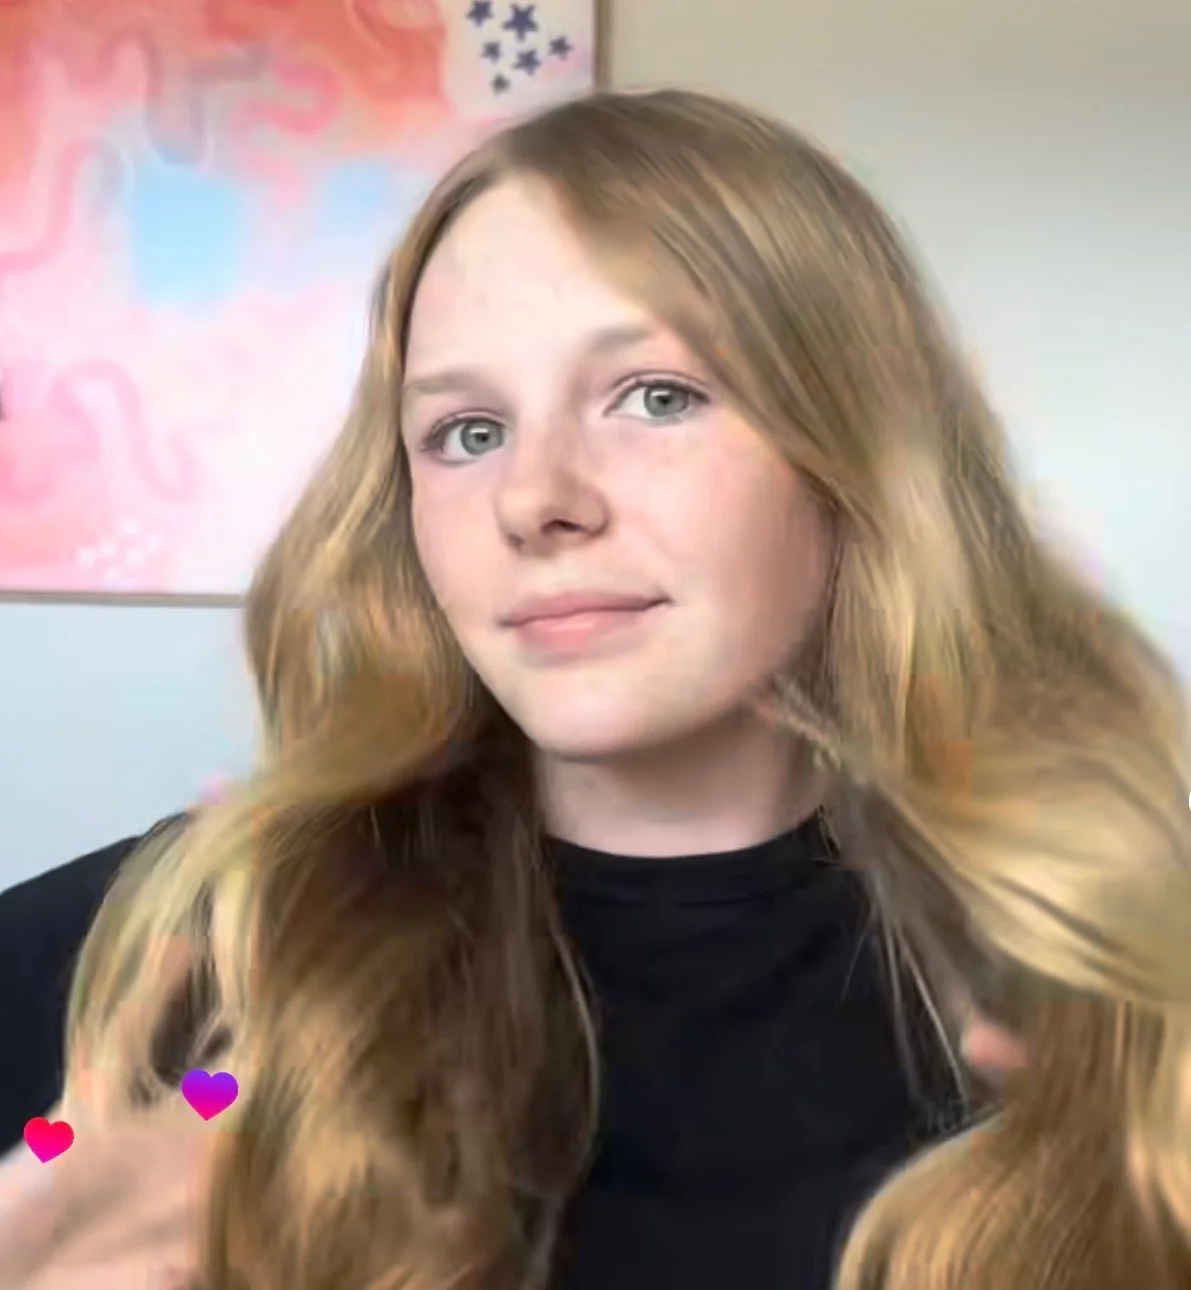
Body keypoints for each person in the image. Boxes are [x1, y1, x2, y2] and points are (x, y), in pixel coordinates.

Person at [0, 87, 1187, 1290]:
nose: (536, 499)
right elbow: (47, 1146)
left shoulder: (1118, 979)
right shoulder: (187, 956)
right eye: (467, 431)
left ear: (853, 454)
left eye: (657, 398)